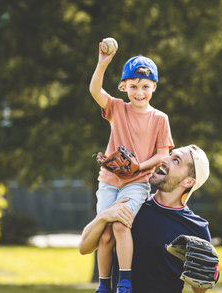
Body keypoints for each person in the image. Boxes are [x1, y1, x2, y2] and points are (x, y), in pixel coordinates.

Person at [88, 40, 174, 293]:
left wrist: (138, 167)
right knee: (104, 234)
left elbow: (162, 155)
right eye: (134, 86)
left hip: (137, 183)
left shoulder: (160, 118)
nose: (139, 92)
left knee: (120, 225)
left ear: (154, 87)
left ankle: (125, 280)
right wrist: (102, 64)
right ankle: (104, 284)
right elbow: (95, 91)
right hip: (108, 181)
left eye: (145, 86)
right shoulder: (117, 108)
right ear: (124, 86)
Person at [79, 145, 217, 293]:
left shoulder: (196, 228)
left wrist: (207, 275)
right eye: (170, 155)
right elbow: (84, 248)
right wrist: (103, 217)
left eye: (176, 160)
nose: (164, 159)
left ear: (188, 182)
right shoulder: (132, 205)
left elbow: (199, 288)